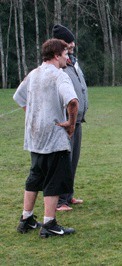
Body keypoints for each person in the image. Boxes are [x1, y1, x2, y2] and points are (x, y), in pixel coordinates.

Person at [13, 38, 78, 237]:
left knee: (34, 178)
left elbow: (19, 97)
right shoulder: (59, 76)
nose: (67, 59)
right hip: (53, 137)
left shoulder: (33, 74)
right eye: (65, 54)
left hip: (34, 137)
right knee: (53, 180)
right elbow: (73, 102)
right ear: (57, 55)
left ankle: (26, 219)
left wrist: (35, 115)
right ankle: (49, 224)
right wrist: (71, 124)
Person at [52, 24, 88, 211]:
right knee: (63, 160)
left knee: (73, 160)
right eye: (68, 42)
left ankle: (68, 195)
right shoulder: (57, 64)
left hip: (78, 120)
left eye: (73, 41)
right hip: (66, 121)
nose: (72, 44)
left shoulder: (72, 61)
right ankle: (59, 201)